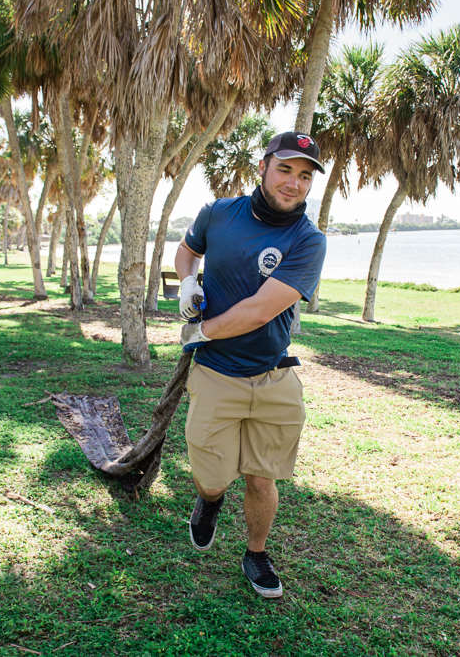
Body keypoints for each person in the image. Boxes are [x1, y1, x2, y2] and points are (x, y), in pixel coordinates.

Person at [174, 131, 327, 599]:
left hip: (275, 375)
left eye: (304, 176)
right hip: (216, 375)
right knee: (211, 475)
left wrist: (201, 330)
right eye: (285, 170)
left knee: (263, 478)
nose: (293, 184)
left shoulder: (308, 239)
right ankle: (210, 499)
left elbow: (261, 309)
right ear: (262, 167)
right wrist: (186, 282)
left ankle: (256, 552)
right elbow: (187, 251)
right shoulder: (219, 213)